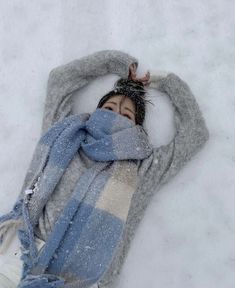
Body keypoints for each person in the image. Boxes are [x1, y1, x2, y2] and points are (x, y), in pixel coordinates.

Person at [0, 50, 209, 288]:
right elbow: (61, 80)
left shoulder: (143, 168)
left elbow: (195, 134)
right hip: (26, 257)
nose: (115, 116)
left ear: (136, 127)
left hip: (78, 281)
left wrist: (167, 82)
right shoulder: (66, 134)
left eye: (126, 114)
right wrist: (118, 63)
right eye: (109, 109)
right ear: (97, 111)